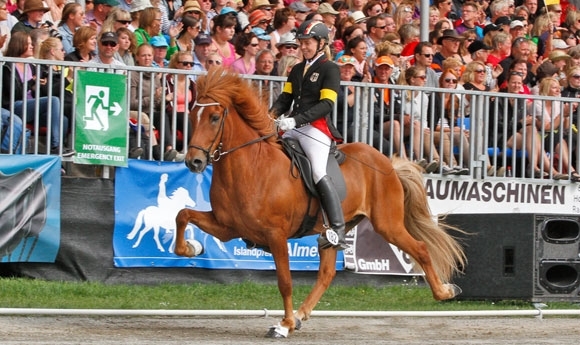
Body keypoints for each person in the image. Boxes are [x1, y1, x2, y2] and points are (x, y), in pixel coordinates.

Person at [270, 20, 348, 251]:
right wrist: (269, 117)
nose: (304, 47)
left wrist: (296, 120)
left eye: (308, 43)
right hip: (293, 125)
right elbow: (285, 100)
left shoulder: (330, 69)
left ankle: (338, 229)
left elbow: (326, 104)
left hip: (317, 128)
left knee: (317, 171)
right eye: (301, 43)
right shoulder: (295, 69)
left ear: (321, 43)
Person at [2, 31, 73, 156]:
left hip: (32, 106)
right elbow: (15, 92)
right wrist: (32, 82)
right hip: (16, 106)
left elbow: (42, 93)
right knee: (53, 100)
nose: (32, 46)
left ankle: (58, 159)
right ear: (19, 45)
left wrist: (40, 85)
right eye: (28, 44)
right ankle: (55, 146)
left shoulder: (32, 66)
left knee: (63, 120)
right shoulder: (8, 66)